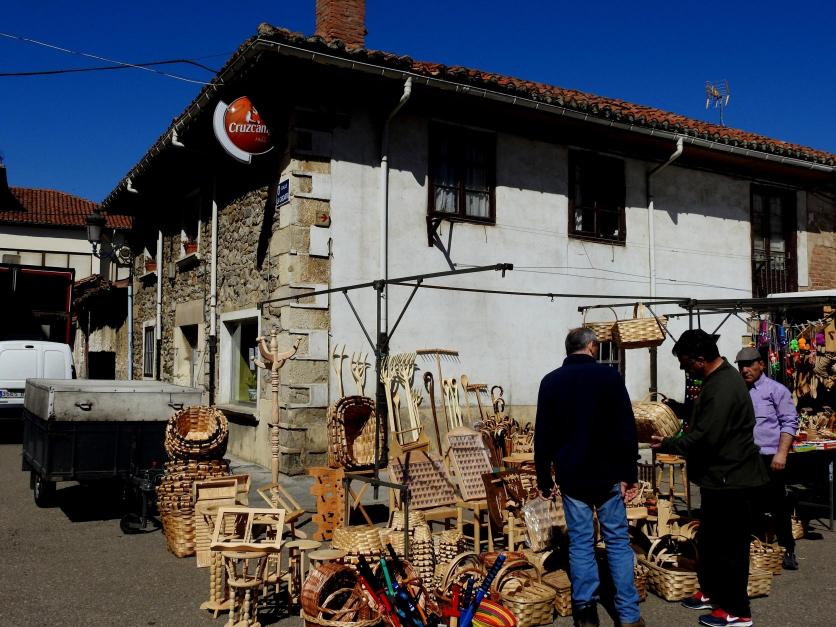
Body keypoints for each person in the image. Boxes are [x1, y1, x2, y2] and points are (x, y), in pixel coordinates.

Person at [652, 330, 768, 627]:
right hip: (720, 478)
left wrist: (668, 444)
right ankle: (713, 592)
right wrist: (679, 408)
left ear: (700, 359)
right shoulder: (716, 381)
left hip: (733, 479)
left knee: (731, 548)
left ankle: (737, 610)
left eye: (685, 362)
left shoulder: (724, 385)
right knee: (711, 542)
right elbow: (706, 416)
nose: (684, 368)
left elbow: (706, 437)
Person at [534, 327, 643, 627]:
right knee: (617, 542)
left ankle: (585, 614)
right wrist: (630, 473)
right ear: (592, 346)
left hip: (573, 477)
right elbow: (626, 428)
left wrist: (544, 479)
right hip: (608, 475)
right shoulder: (609, 377)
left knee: (581, 544)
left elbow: (543, 435)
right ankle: (629, 616)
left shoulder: (551, 381)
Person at [735, 346, 800, 569]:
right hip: (746, 459)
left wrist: (781, 453)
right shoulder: (738, 391)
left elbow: (789, 422)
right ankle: (754, 549)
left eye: (749, 365)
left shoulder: (776, 390)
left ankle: (787, 548)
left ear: (761, 364)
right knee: (748, 505)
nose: (744, 370)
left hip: (770, 457)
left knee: (778, 505)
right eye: (741, 366)